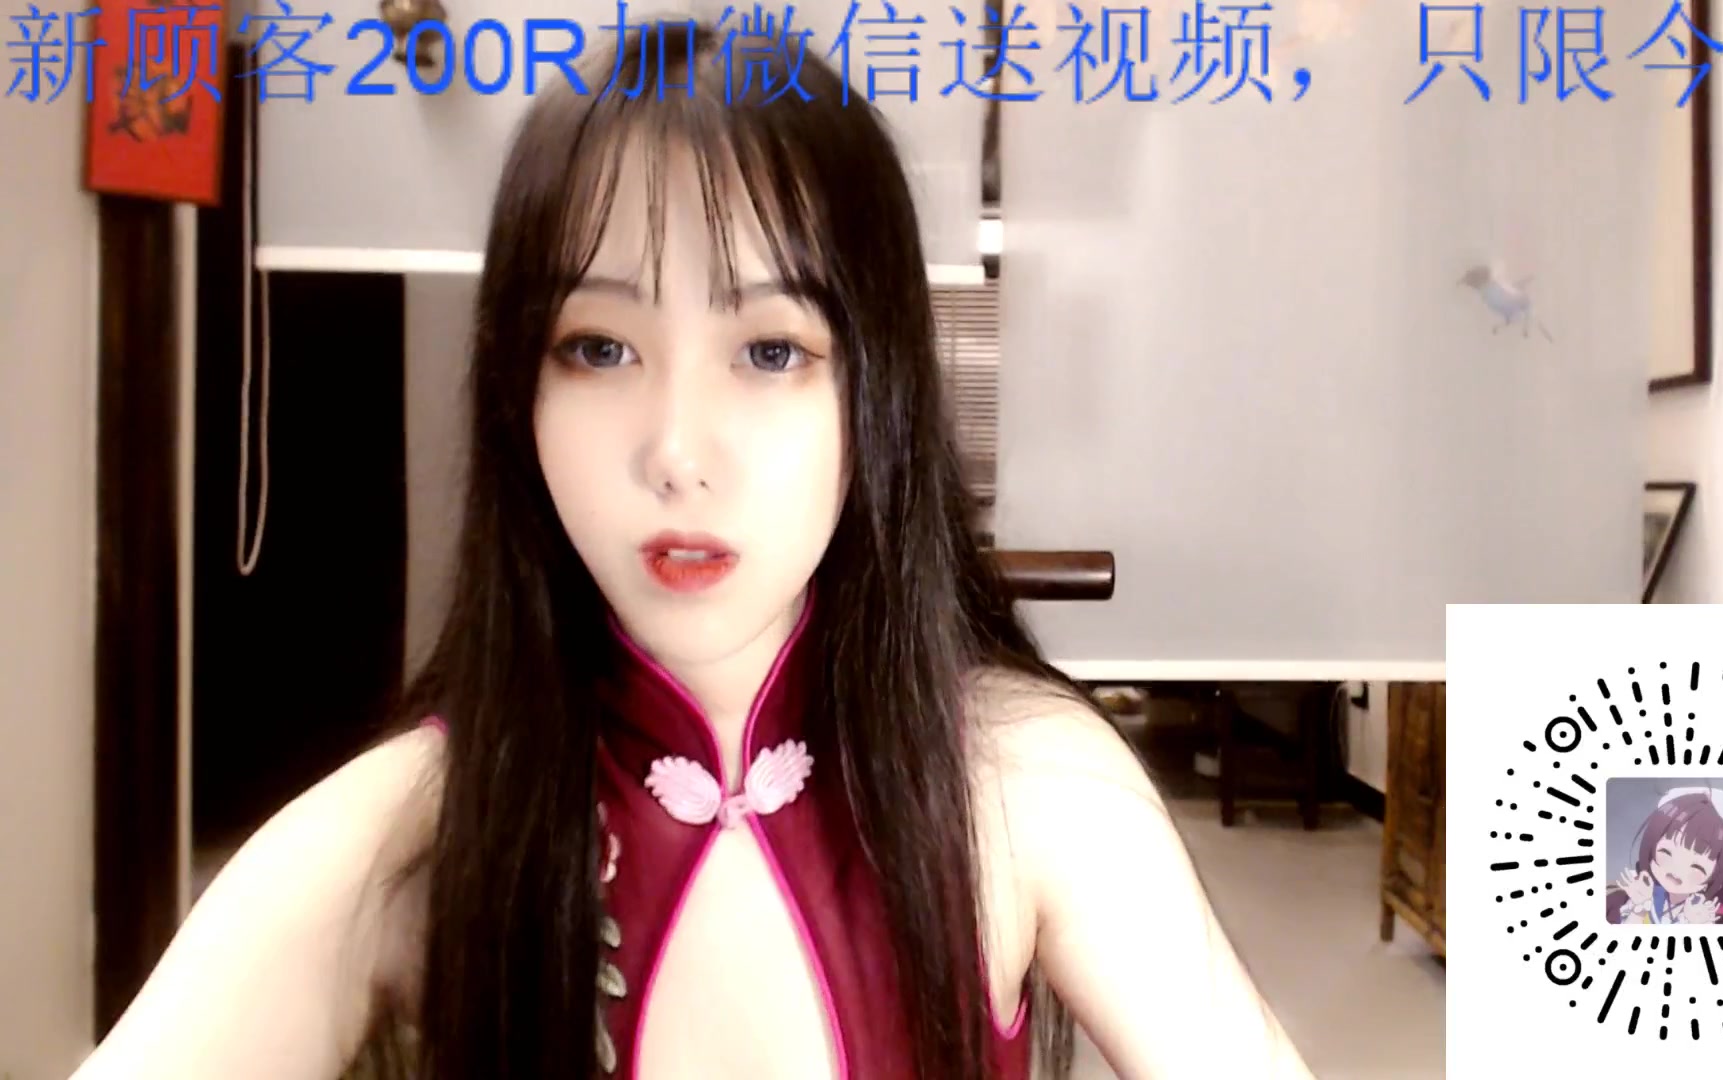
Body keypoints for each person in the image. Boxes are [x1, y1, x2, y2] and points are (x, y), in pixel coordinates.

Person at [71, 21, 1313, 1080]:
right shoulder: (413, 836)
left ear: (874, 394)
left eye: (771, 350)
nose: (676, 451)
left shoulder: (1030, 785)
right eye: (598, 348)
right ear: (518, 393)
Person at [1606, 786, 1723, 926]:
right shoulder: (1624, 899)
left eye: (1697, 867)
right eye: (1666, 852)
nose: (1676, 870)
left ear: (1717, 876)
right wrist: (1638, 911)